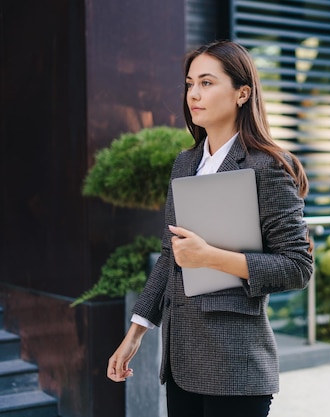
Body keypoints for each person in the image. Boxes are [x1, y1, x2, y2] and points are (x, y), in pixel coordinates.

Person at [107, 40, 314, 417]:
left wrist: (211, 258)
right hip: (182, 362)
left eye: (206, 83)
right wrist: (134, 333)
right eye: (189, 84)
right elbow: (171, 257)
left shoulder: (267, 166)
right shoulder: (185, 163)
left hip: (235, 365)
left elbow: (298, 267)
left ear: (242, 93)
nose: (193, 95)